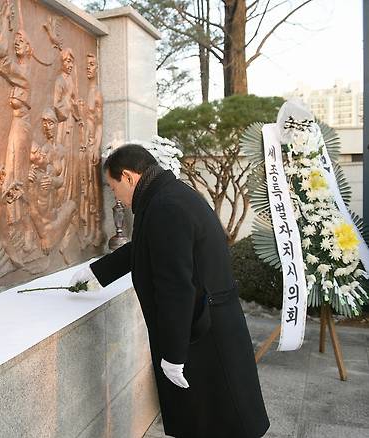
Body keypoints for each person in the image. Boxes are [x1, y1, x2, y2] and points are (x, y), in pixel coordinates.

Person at [70, 144, 270, 438]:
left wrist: (174, 354)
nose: (118, 198)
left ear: (128, 177)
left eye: (114, 188)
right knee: (214, 419)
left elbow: (175, 286)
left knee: (216, 422)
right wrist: (97, 273)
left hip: (203, 334)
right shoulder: (168, 197)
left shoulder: (165, 207)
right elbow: (146, 249)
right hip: (209, 323)